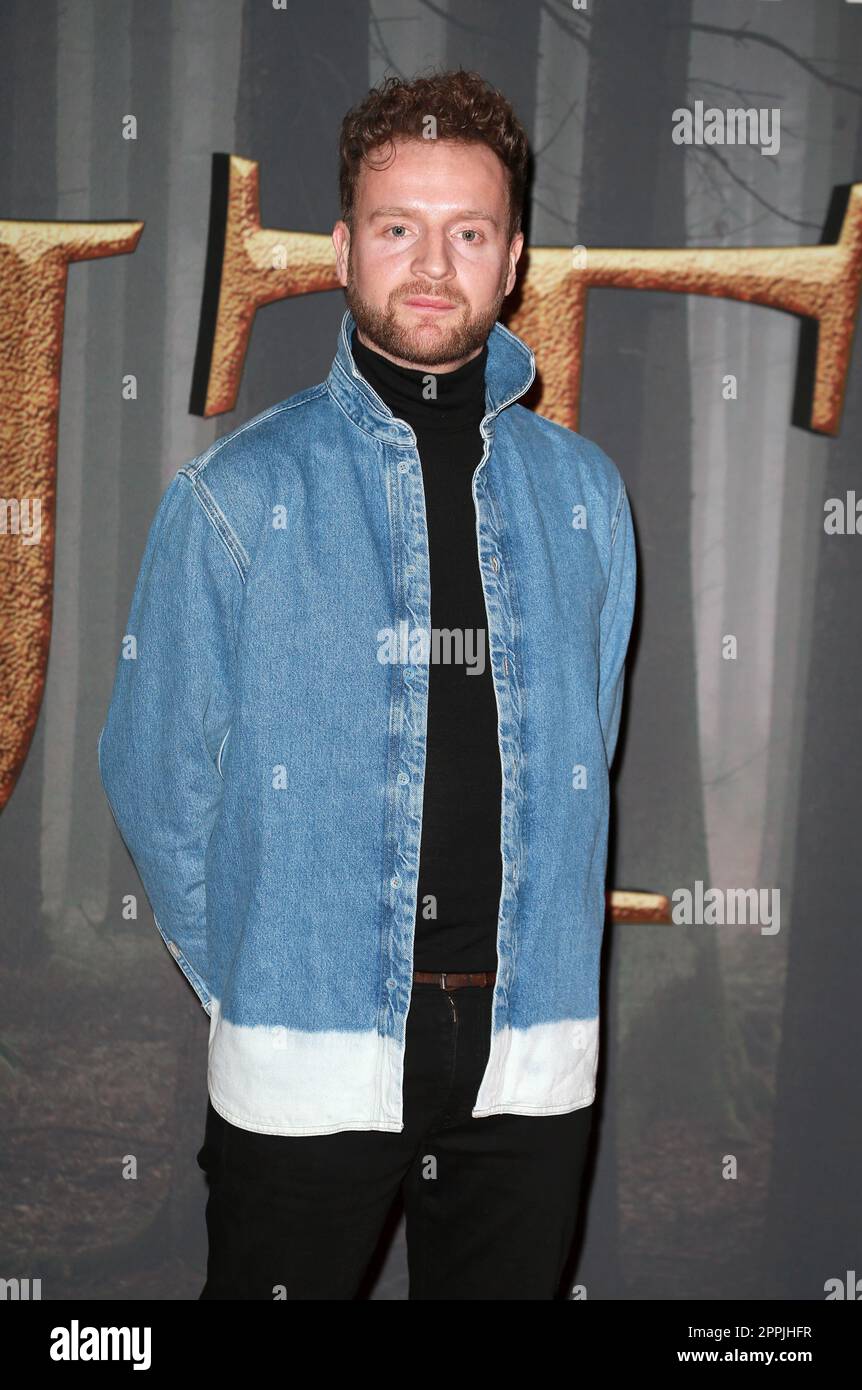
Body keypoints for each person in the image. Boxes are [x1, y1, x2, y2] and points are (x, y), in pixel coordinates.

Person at [98, 68, 637, 1300]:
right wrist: (263, 987)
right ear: (344, 249)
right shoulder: (232, 498)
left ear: (512, 264)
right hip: (308, 1050)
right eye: (399, 227)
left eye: (469, 232)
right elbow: (155, 775)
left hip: (529, 1058)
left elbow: (582, 749)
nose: (433, 264)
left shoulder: (584, 496)